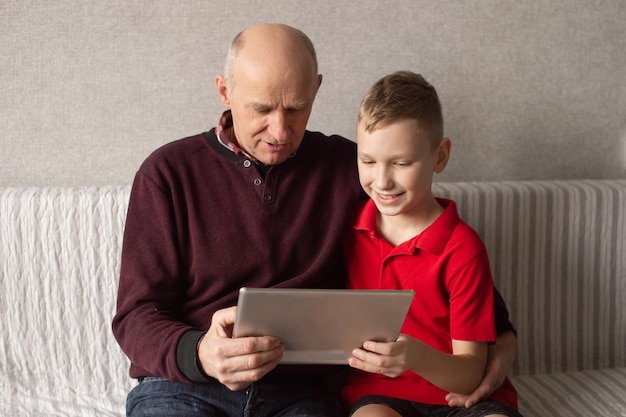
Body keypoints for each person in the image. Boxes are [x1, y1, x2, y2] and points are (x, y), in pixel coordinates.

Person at [112, 23, 517, 417]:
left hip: (298, 393)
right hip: (185, 388)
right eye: (262, 109)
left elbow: (450, 265)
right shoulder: (167, 173)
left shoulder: (353, 168)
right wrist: (200, 353)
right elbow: (136, 314)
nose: (281, 130)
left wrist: (501, 349)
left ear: (317, 89)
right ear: (224, 91)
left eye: (296, 107)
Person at [341, 71, 522, 417]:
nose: (382, 180)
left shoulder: (463, 249)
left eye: (401, 163)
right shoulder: (347, 229)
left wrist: (417, 356)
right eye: (368, 161)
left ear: (440, 157)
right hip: (379, 394)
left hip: (461, 399)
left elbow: (469, 377)